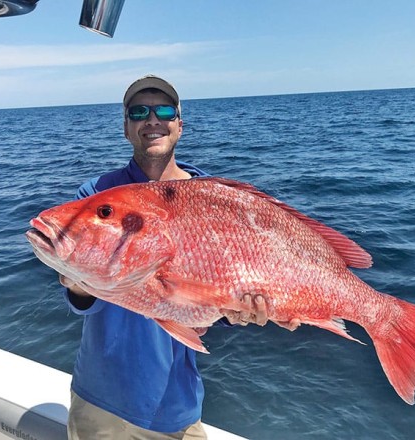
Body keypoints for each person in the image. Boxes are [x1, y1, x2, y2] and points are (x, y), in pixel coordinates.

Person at [59, 75, 268, 440]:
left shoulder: (211, 198)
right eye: (139, 112)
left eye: (164, 110)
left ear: (179, 125)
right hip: (98, 401)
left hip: (175, 406)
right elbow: (82, 301)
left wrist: (240, 313)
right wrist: (78, 282)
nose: (152, 120)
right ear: (126, 127)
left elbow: (213, 306)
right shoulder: (98, 194)